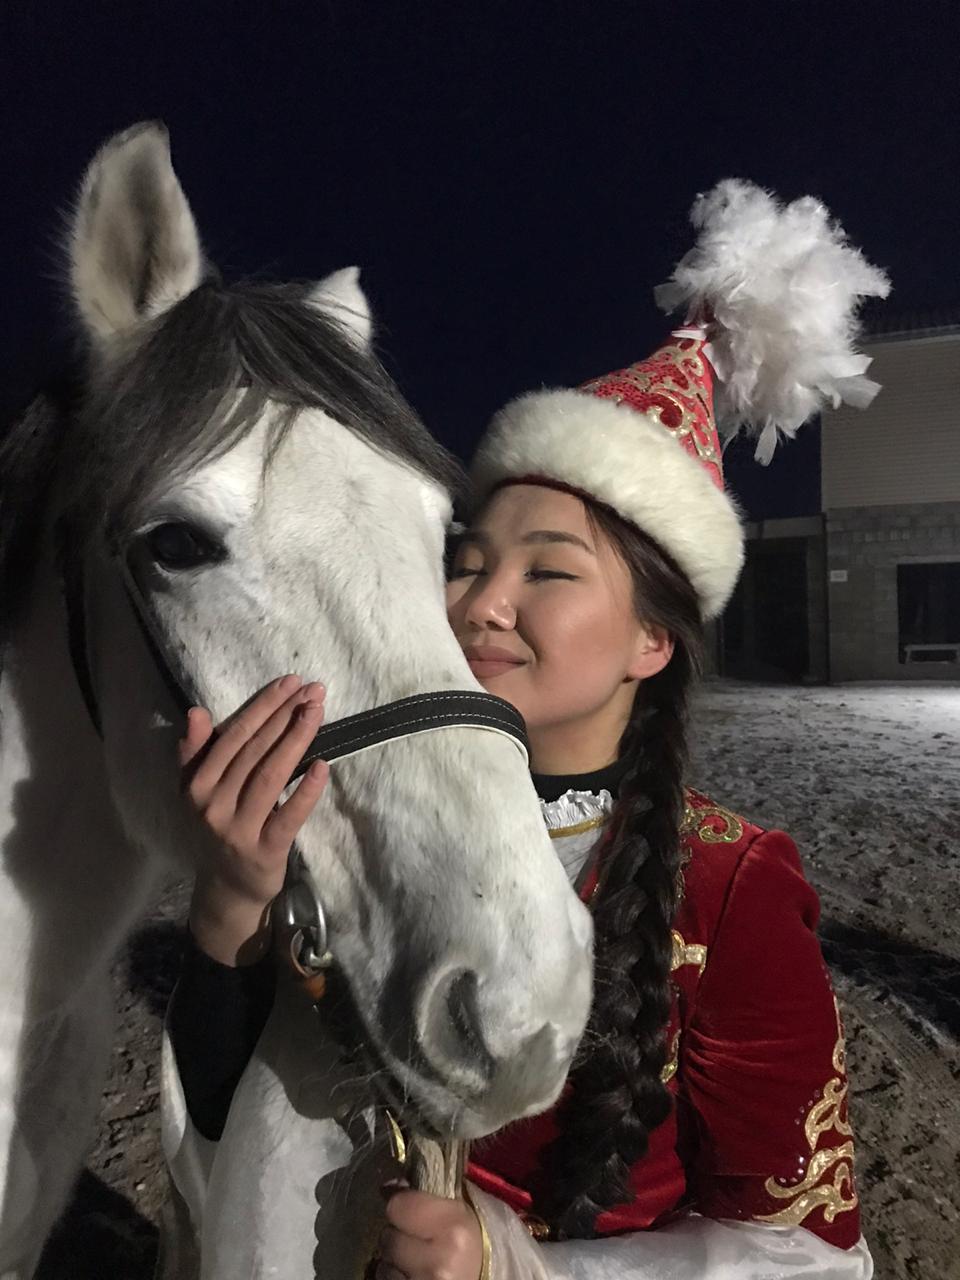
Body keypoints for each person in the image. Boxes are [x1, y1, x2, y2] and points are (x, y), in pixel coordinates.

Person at [167, 180, 888, 1277]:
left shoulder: (731, 888)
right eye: (465, 562)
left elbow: (811, 1254)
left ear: (653, 640)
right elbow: (233, 1124)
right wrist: (229, 904)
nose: (482, 603)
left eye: (548, 571)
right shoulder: (351, 809)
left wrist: (512, 1265)